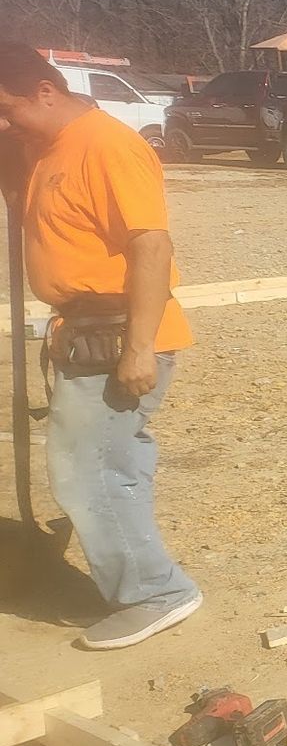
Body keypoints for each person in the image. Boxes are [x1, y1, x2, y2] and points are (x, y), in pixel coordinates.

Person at [0, 43, 201, 648]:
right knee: (113, 466)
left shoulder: (107, 145)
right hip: (85, 331)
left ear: (45, 91)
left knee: (89, 471)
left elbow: (150, 248)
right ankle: (142, 582)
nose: (4, 125)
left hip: (118, 335)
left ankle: (155, 592)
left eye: (8, 111)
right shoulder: (46, 146)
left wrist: (139, 347)